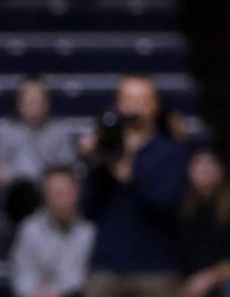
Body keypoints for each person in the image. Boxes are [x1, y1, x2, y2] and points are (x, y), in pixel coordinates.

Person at [80, 75, 189, 297]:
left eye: (140, 99)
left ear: (155, 105)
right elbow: (88, 208)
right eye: (127, 99)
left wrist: (131, 173)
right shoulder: (106, 152)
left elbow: (168, 205)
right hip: (107, 268)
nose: (132, 106)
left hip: (156, 269)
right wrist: (93, 163)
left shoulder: (170, 152)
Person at [0, 78, 76, 223]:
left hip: (50, 201)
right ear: (19, 103)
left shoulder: (60, 132)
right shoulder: (6, 132)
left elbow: (66, 171)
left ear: (47, 102)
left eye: (38, 100)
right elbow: (1, 174)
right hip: (17, 201)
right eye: (29, 100)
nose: (34, 105)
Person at [9, 166, 95, 297]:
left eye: (64, 193)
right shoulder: (29, 229)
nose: (60, 201)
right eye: (54, 193)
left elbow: (86, 276)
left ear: (76, 192)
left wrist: (57, 291)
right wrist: (34, 292)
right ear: (45, 196)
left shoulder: (90, 230)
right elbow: (22, 272)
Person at [179, 148, 230, 297]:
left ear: (221, 169)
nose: (204, 168)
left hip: (226, 276)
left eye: (210, 162)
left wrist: (209, 278)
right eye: (199, 163)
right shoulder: (182, 206)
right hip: (188, 276)